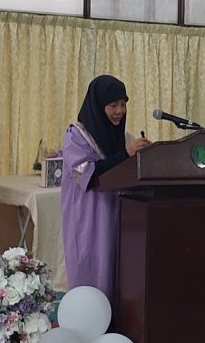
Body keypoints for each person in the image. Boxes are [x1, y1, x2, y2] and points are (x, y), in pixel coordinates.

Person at [60, 75, 150, 302]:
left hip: (117, 216)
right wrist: (125, 155)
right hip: (89, 218)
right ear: (98, 106)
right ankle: (89, 318)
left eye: (123, 104)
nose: (119, 111)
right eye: (113, 105)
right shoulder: (77, 136)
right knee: (92, 268)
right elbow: (87, 176)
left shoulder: (123, 138)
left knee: (116, 270)